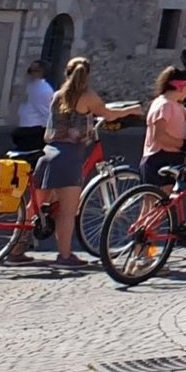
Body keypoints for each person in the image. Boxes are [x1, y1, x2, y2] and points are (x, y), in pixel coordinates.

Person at [38, 59, 140, 269]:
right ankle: (64, 257)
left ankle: (16, 249)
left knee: (36, 207)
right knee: (67, 212)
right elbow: (109, 114)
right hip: (70, 156)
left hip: (48, 154)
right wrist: (132, 110)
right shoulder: (88, 97)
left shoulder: (57, 95)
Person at [142, 63, 186, 183]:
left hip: (170, 156)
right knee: (158, 198)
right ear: (182, 88)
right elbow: (159, 136)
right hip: (159, 158)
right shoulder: (164, 106)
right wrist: (184, 144)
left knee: (166, 197)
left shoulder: (175, 104)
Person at [11, 59, 54, 156]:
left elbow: (47, 113)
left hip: (33, 130)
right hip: (24, 129)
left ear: (41, 73)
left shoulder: (43, 89)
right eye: (29, 70)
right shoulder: (29, 85)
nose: (29, 73)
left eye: (34, 71)